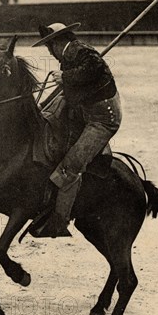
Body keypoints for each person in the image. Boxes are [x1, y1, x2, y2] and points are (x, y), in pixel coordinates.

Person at [32, 22, 121, 237]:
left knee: (70, 165)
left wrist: (66, 78)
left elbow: (95, 67)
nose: (49, 52)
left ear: (56, 43)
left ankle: (59, 221)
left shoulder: (78, 50)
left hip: (102, 120)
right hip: (84, 111)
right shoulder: (70, 54)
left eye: (48, 46)